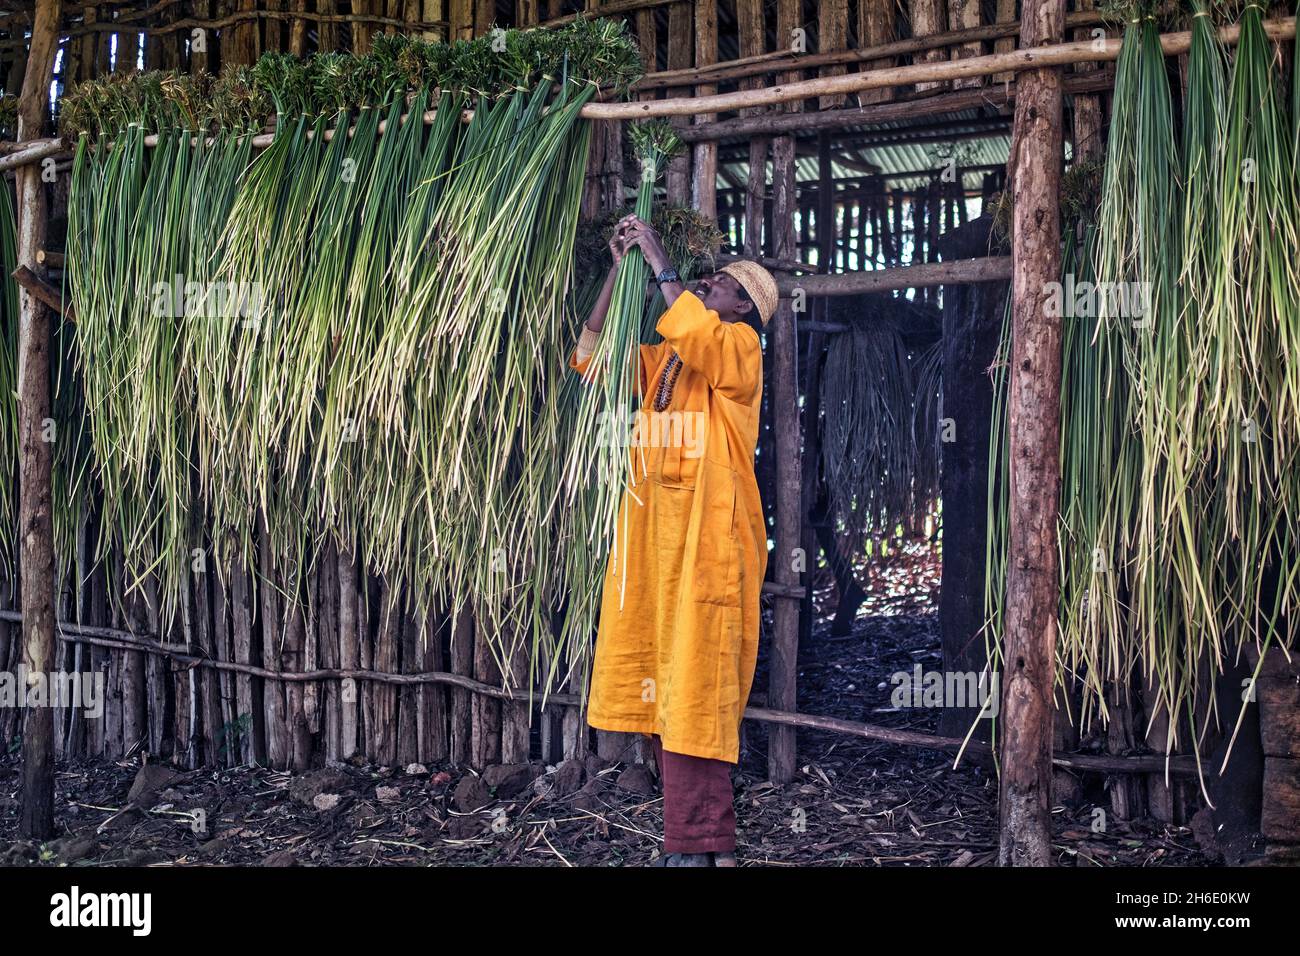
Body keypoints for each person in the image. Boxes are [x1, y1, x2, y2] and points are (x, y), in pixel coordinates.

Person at [569, 213, 777, 867]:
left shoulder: (740, 351)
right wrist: (620, 268)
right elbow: (589, 356)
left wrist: (657, 255)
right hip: (657, 548)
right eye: (708, 278)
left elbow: (696, 328)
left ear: (742, 308)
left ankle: (698, 844)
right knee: (667, 686)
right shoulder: (668, 364)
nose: (709, 282)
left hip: (710, 549)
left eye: (722, 283)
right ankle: (691, 843)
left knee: (695, 690)